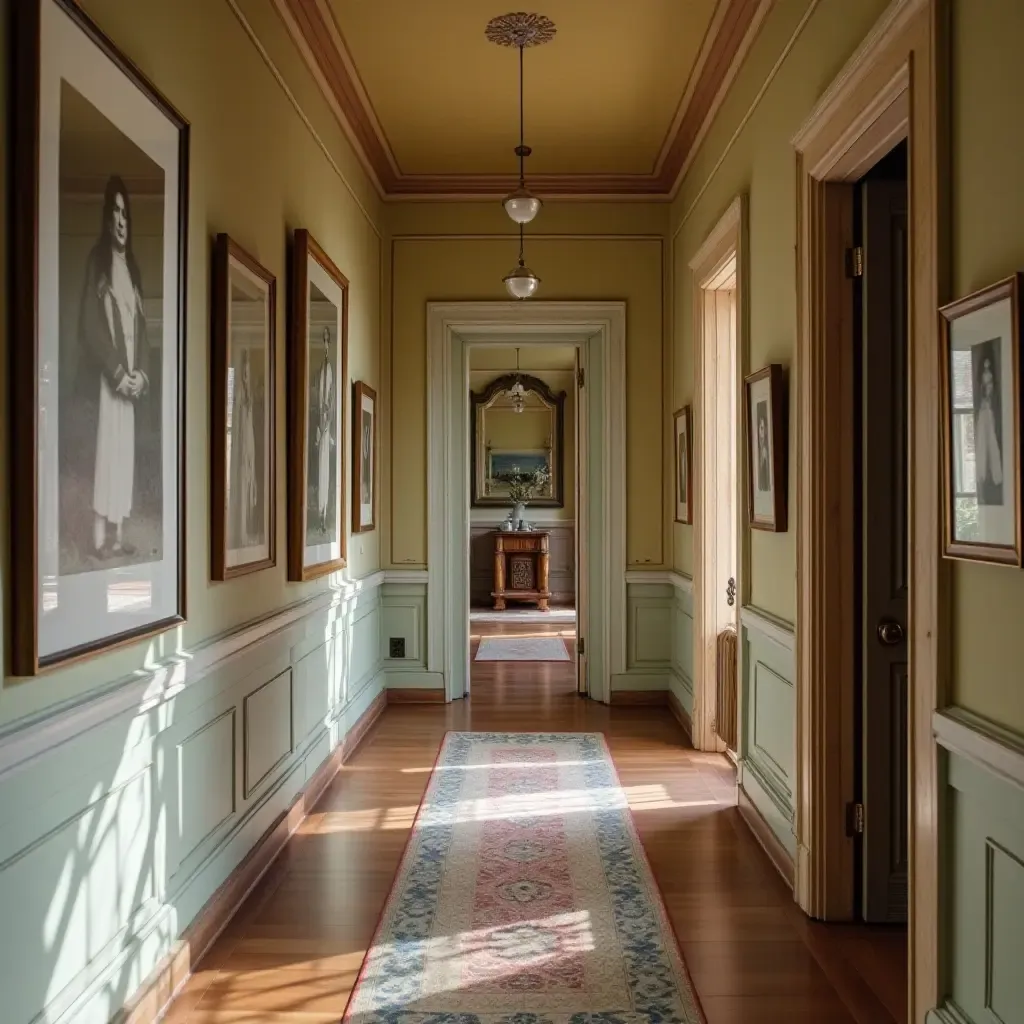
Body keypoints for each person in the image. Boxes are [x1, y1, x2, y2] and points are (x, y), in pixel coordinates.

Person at [76, 174, 150, 560]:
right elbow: (91, 324)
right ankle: (99, 537)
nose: (122, 221)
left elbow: (142, 331)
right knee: (107, 452)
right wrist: (118, 372)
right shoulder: (98, 263)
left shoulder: (132, 269)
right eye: (116, 213)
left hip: (130, 384)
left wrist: (141, 376)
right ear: (107, 221)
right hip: (109, 383)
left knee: (124, 454)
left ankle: (119, 535)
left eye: (126, 214)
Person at [976, 353, 1003, 505]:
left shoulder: (990, 380)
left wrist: (988, 393)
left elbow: (989, 392)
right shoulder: (983, 382)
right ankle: (983, 475)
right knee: (983, 440)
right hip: (984, 410)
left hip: (988, 410)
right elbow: (983, 392)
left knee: (991, 439)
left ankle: (994, 474)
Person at [315, 327, 334, 534]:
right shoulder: (324, 371)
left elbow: (329, 400)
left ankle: (324, 512)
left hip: (326, 432)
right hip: (322, 431)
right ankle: (321, 514)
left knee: (325, 476)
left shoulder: (328, 372)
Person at [237, 349, 257, 545]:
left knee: (250, 488)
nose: (245, 377)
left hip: (249, 455)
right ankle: (242, 531)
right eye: (244, 373)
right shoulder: (241, 402)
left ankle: (247, 528)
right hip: (242, 457)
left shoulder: (249, 403)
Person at [756, 404, 771, 493]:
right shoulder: (757, 449)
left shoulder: (766, 449)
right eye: (761, 428)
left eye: (764, 428)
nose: (763, 432)